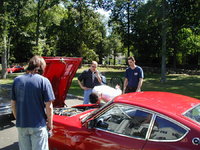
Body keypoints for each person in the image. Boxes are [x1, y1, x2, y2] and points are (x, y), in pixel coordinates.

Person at [11, 56, 55, 150]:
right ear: (41, 67)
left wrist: (19, 119)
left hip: (22, 125)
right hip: (38, 125)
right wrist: (50, 124)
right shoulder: (44, 81)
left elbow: (13, 104)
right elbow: (49, 106)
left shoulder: (17, 80)